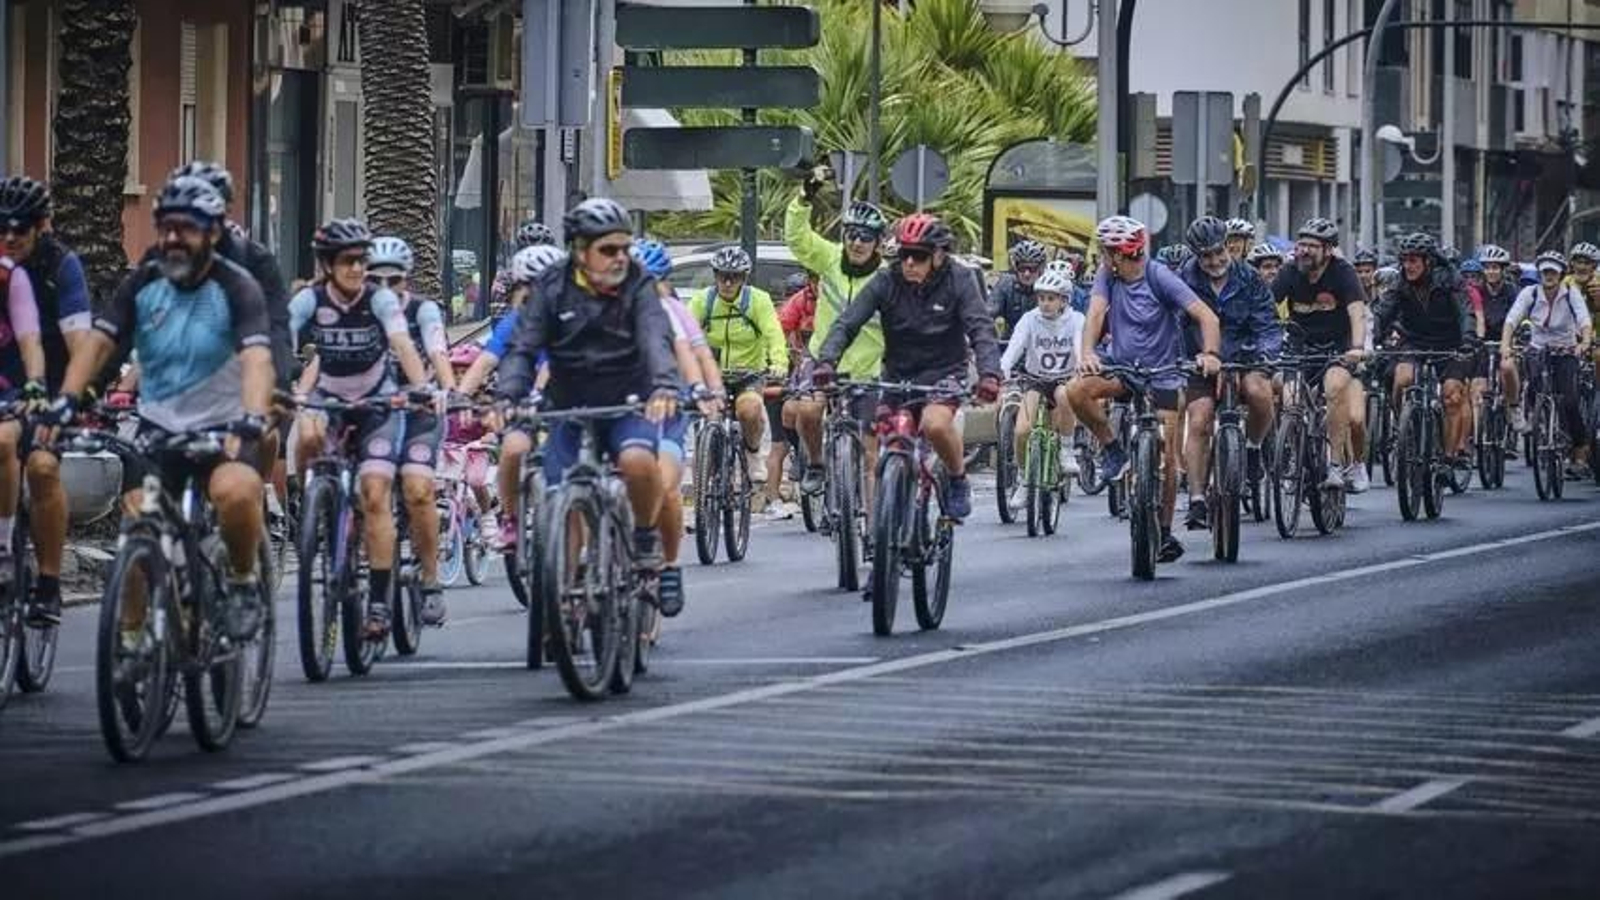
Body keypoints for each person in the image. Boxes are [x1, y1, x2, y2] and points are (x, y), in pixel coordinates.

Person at [47, 177, 272, 641]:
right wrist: (67, 401)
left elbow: (257, 359)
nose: (173, 238)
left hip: (223, 433)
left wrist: (251, 417)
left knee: (236, 493)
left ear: (212, 234)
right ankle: (132, 642)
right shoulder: (143, 282)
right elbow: (99, 344)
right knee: (140, 525)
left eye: (186, 228)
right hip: (158, 436)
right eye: (165, 227)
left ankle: (243, 580)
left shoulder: (238, 287)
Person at [494, 198, 680, 591]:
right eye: (608, 250)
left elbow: (655, 337)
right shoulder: (551, 286)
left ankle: (645, 539)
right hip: (567, 404)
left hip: (628, 399)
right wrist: (507, 394)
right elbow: (523, 347)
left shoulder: (640, 283)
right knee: (560, 498)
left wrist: (664, 383)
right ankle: (562, 600)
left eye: (624, 249)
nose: (619, 258)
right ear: (580, 251)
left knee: (635, 461)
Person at [290, 219, 432, 641]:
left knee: (374, 493)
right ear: (327, 265)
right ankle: (313, 503)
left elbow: (403, 344)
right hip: (330, 399)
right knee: (308, 433)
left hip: (377, 405)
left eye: (360, 261)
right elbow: (279, 335)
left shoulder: (381, 299)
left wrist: (420, 388)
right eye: (346, 261)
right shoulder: (309, 299)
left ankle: (378, 602)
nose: (356, 269)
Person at [813, 213, 1000, 523]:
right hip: (897, 375)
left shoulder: (960, 279)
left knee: (935, 424)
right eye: (904, 255)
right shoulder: (887, 280)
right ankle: (882, 528)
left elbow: (981, 329)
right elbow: (847, 324)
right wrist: (826, 361)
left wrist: (990, 374)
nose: (909, 263)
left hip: (944, 373)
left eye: (919, 256)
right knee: (885, 444)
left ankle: (956, 478)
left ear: (939, 256)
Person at [1068, 216, 1221, 564]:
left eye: (1106, 252)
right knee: (1076, 392)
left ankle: (1164, 532)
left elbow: (1207, 317)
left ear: (1119, 254)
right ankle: (1113, 451)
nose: (1102, 259)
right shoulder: (1109, 276)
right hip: (1122, 368)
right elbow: (1095, 313)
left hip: (1163, 374)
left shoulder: (1160, 277)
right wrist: (1088, 353)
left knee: (1166, 459)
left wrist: (1210, 355)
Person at [0, 176, 92, 626]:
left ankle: (50, 584)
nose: (10, 237)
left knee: (41, 467)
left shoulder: (60, 267)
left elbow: (80, 342)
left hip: (48, 386)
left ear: (41, 227)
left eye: (20, 228)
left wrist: (73, 397)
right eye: (2, 228)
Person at [784, 175, 887, 507]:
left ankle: (873, 527)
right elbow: (797, 238)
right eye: (852, 235)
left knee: (871, 450)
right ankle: (815, 462)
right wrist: (804, 197)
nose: (857, 243)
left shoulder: (887, 279)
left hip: (867, 370)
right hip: (823, 359)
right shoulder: (828, 257)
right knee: (809, 411)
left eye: (866, 237)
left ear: (878, 242)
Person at [634, 237, 723, 616]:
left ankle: (669, 566)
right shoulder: (607, 307)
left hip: (667, 410)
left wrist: (709, 390)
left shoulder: (673, 311)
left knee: (667, 488)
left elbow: (696, 354)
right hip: (623, 408)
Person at [456, 244, 564, 550]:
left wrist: (540, 393)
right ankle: (510, 519)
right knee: (513, 450)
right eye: (526, 288)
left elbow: (553, 365)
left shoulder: (569, 319)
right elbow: (485, 361)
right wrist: (459, 396)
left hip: (561, 401)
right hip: (521, 402)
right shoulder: (513, 322)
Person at [1176, 216, 1282, 530]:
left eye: (1219, 252)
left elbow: (1268, 324)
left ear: (1229, 246)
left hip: (1244, 355)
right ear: (1196, 255)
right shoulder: (1185, 279)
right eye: (1206, 255)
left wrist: (1263, 355)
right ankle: (1196, 500)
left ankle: (1251, 450)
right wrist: (1189, 357)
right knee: (1199, 419)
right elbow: (1175, 324)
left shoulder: (1249, 277)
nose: (1215, 260)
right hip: (1201, 361)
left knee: (1260, 393)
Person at [368, 235, 452, 626]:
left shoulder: (424, 310)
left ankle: (431, 579)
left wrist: (447, 391)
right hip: (369, 407)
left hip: (418, 408)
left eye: (394, 280)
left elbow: (438, 351)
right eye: (375, 280)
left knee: (418, 491)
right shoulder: (356, 309)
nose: (384, 289)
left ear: (407, 279)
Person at [1270, 217, 1370, 493]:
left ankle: (1337, 465)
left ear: (1328, 250)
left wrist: (1358, 348)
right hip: (1300, 347)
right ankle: (1292, 453)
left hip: (1338, 347)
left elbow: (1357, 314)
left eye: (1311, 246)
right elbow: (1266, 308)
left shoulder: (1343, 273)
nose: (1303, 250)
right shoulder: (1289, 272)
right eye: (1301, 244)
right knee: (1290, 400)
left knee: (1335, 388)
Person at [1371, 232, 1477, 475]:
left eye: (1413, 261)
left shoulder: (1450, 279)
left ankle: (1448, 460)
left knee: (1452, 395)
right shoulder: (1400, 282)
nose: (1408, 266)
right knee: (1402, 378)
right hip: (1414, 341)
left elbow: (1465, 312)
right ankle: (1404, 424)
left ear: (1428, 261)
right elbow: (1384, 311)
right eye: (1404, 260)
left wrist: (1468, 338)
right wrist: (1372, 338)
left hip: (1451, 344)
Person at [686, 246, 786, 485]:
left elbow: (774, 334)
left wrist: (779, 362)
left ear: (745, 277)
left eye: (735, 277)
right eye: (722, 276)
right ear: (715, 276)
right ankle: (706, 465)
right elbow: (684, 334)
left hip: (748, 373)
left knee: (748, 410)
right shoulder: (703, 301)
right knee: (709, 413)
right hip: (713, 373)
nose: (728, 282)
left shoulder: (758, 300)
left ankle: (752, 453)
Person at [1503, 251, 1593, 478]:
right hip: (1538, 348)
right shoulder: (1529, 293)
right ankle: (1540, 423)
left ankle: (1580, 450)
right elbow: (1511, 320)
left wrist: (1585, 343)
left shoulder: (1571, 294)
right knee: (1534, 391)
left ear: (1561, 274)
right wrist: (1506, 345)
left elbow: (1584, 321)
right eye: (1545, 272)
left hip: (1565, 350)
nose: (1549, 276)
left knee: (1570, 400)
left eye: (1553, 272)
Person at [999, 264, 1084, 485]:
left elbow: (1078, 345)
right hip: (1035, 379)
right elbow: (1016, 346)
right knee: (1022, 431)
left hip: (1064, 378)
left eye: (1051, 298)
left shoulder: (1076, 320)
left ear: (1064, 300)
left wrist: (1082, 363)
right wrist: (1003, 368)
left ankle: (1066, 450)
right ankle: (1023, 478)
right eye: (1042, 298)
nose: (1045, 303)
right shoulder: (1029, 318)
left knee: (1065, 395)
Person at [0, 255, 46, 593]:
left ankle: (3, 543)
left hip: (9, 389)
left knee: (2, 442)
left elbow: (31, 343)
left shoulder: (9, 277)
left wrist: (34, 384)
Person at [1474, 244, 1525, 434]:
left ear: (1503, 270)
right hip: (1482, 343)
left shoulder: (1513, 291)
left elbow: (1520, 316)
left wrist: (1518, 336)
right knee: (1478, 388)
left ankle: (1514, 407)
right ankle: (1477, 434)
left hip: (1506, 342)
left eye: (1495, 267)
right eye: (1487, 267)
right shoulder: (1477, 291)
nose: (1491, 271)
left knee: (1507, 367)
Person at [991, 239, 1048, 336]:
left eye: (1032, 269)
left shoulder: (1049, 287)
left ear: (1041, 268)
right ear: (1015, 267)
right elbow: (989, 312)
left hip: (1043, 342)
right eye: (1022, 268)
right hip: (1012, 340)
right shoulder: (1006, 284)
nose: (1027, 274)